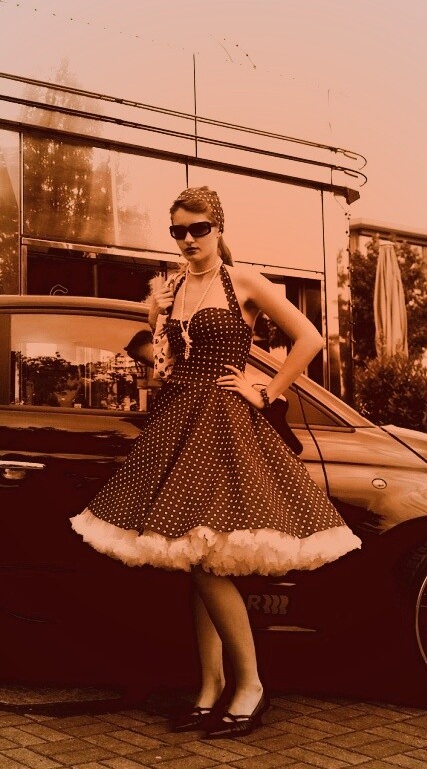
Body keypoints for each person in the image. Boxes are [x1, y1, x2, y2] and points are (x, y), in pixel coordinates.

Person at [70, 186, 361, 739]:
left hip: (224, 425)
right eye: (178, 231)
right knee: (195, 559)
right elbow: (163, 367)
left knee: (205, 559)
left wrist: (267, 390)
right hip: (179, 420)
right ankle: (210, 687)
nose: (188, 239)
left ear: (218, 227)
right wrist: (154, 324)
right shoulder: (173, 288)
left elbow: (309, 338)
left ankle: (250, 685)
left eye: (198, 228)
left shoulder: (243, 281)